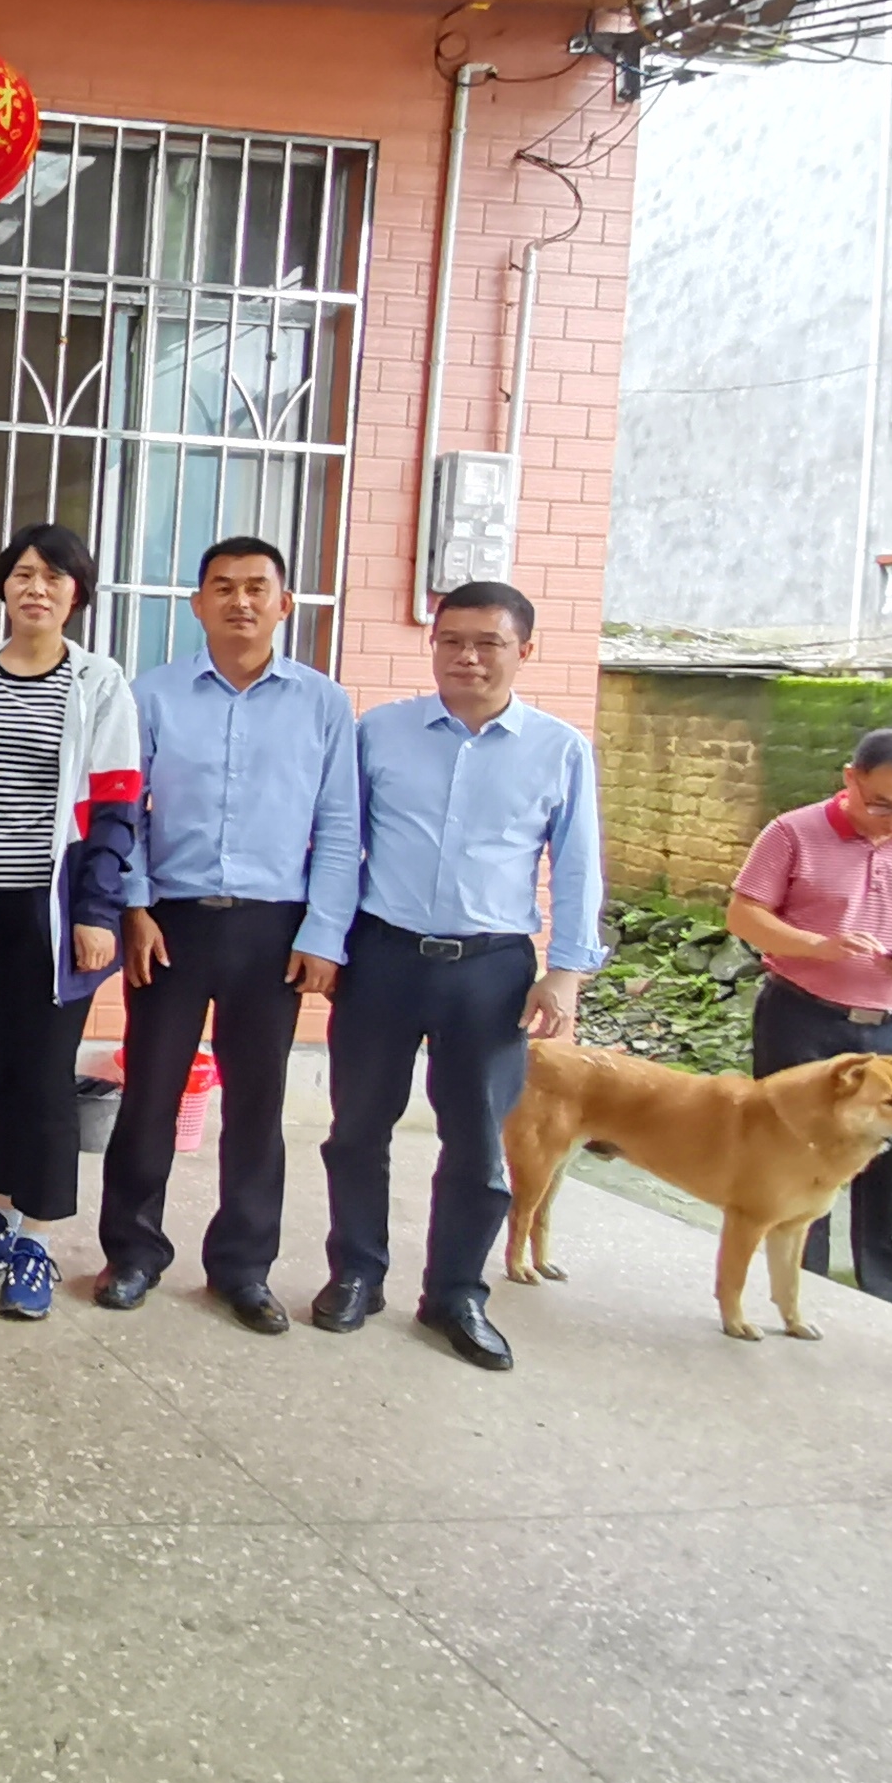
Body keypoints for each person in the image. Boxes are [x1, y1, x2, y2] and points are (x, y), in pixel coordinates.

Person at [318, 579, 604, 1372]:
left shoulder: (558, 749)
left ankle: (455, 1293)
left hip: (492, 969)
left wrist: (567, 972)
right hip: (382, 955)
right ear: (433, 644)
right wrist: (326, 940)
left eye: (488, 643)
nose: (467, 657)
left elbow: (578, 864)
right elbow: (340, 843)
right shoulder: (381, 733)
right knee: (357, 1128)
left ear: (524, 651)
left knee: (478, 1142)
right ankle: (356, 1273)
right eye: (452, 641)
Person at [100, 536, 360, 1334]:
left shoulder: (323, 704)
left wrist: (324, 932)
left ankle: (243, 1268)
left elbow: (340, 826)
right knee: (149, 1094)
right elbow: (124, 811)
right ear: (197, 603)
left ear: (285, 603)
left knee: (257, 1105)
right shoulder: (153, 694)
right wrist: (133, 907)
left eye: (256, 587)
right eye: (222, 587)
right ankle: (133, 1253)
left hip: (274, 930)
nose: (240, 601)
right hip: (170, 923)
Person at [0, 524, 141, 1322]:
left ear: (75, 593)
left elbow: (116, 806)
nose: (36, 588)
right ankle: (4, 1216)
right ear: (2, 586)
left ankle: (38, 1243)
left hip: (58, 913)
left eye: (54, 577)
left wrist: (97, 911)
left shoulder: (99, 682)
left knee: (46, 1076)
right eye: (23, 573)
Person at [725, 725, 892, 1308]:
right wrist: (816, 945)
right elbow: (744, 916)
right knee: (795, 1157)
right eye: (882, 804)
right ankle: (796, 1297)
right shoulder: (792, 832)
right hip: (804, 1016)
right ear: (851, 778)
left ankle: (888, 1306)